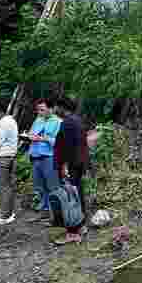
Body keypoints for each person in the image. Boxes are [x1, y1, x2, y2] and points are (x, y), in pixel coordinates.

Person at [52, 96, 89, 245]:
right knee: (77, 194)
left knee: (70, 198)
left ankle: (73, 232)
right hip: (78, 165)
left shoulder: (67, 123)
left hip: (70, 166)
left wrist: (64, 166)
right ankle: (81, 226)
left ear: (62, 107)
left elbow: (67, 148)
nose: (54, 110)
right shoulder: (78, 120)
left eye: (56, 107)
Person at [27, 98, 61, 220]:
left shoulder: (58, 122)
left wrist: (44, 139)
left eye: (42, 110)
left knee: (52, 186)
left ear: (51, 109)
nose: (39, 112)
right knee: (40, 186)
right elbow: (31, 133)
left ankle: (56, 214)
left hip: (49, 157)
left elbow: (59, 142)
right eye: (38, 110)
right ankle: (44, 211)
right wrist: (30, 136)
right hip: (36, 156)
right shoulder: (38, 120)